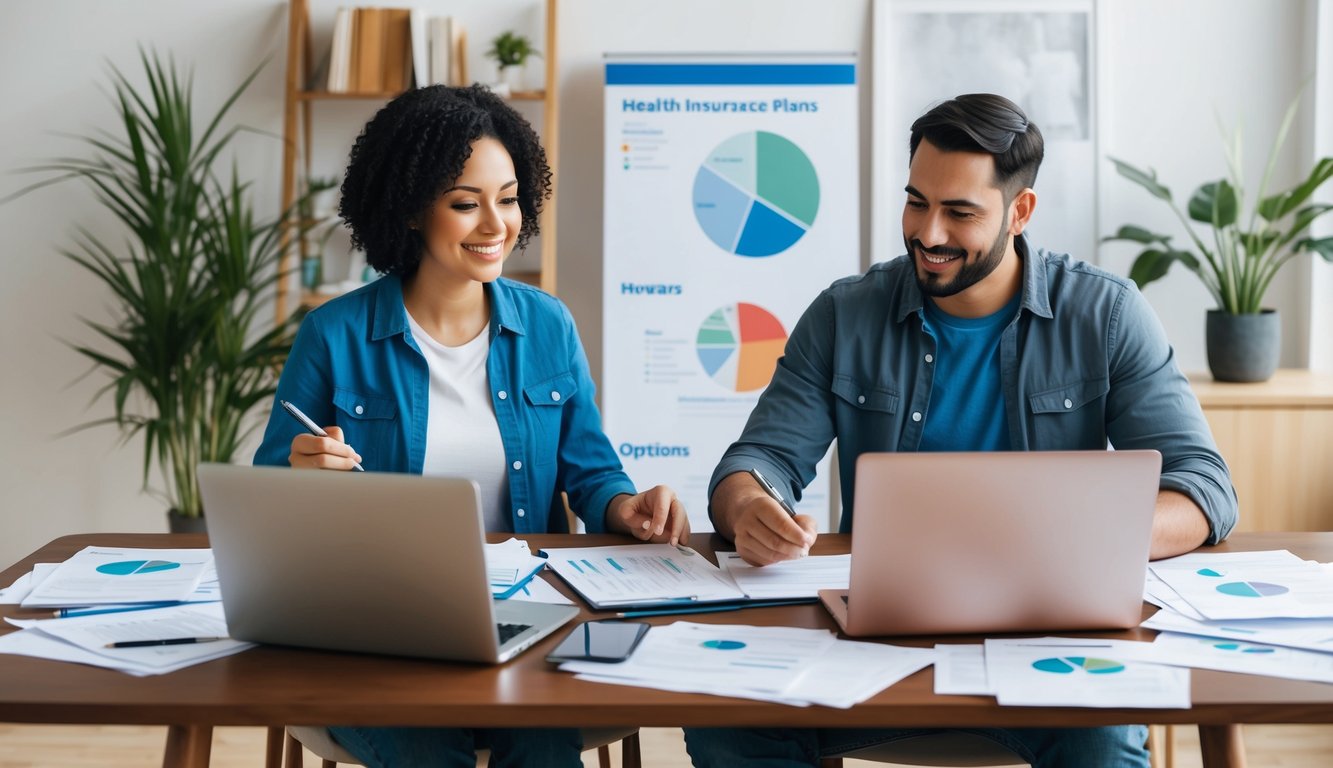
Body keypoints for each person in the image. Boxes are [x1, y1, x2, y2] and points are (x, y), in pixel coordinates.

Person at [683, 94, 1237, 768]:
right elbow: (756, 460)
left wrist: (1087, 543)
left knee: (1101, 742)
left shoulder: (1106, 314)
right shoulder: (843, 314)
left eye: (959, 212)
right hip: (874, 641)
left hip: (1049, 642)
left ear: (1020, 211)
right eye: (916, 202)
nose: (928, 232)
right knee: (725, 723)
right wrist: (751, 509)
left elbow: (1203, 487)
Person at [254, 84, 689, 768]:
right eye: (465, 203)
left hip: (531, 621)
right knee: (428, 750)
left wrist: (626, 506)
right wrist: (300, 476)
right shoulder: (333, 335)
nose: (496, 225)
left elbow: (592, 472)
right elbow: (266, 508)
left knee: (544, 751)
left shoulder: (547, 324)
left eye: (508, 198)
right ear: (410, 212)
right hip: (381, 628)